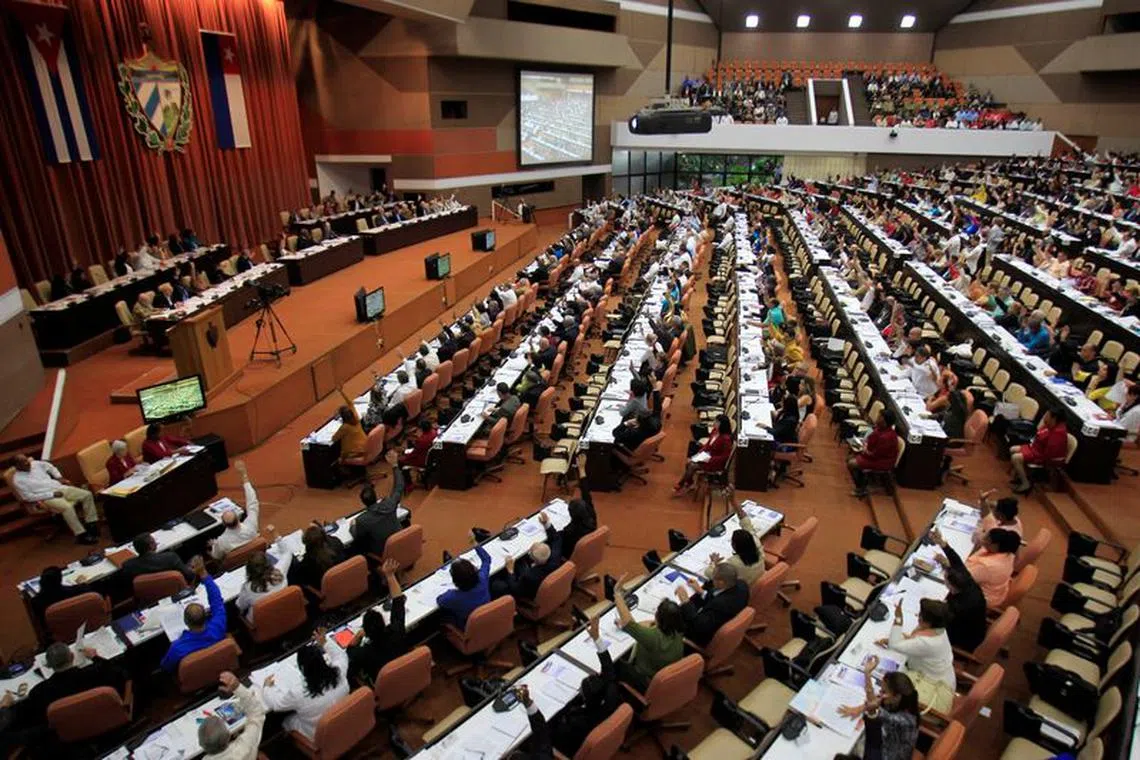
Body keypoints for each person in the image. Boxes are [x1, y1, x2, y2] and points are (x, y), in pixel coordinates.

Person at [259, 630, 350, 741]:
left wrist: (267, 687)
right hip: (345, 720)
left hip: (320, 735)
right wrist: (325, 642)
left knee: (287, 721)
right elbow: (341, 656)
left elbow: (276, 705)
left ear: (302, 668)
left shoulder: (298, 692)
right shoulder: (339, 672)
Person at [551, 615, 620, 757]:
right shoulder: (611, 694)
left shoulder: (577, 723)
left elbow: (552, 736)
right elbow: (608, 669)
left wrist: (567, 708)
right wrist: (596, 637)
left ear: (585, 700)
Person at [20, 642, 127, 727]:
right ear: (72, 657)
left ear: (48, 665)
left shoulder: (39, 692)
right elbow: (119, 673)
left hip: (70, 731)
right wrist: (95, 657)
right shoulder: (95, 672)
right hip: (104, 720)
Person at [878, 598, 956, 713]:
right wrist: (901, 640)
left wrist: (898, 618)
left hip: (931, 683)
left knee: (890, 689)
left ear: (928, 621)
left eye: (920, 615)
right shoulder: (940, 631)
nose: (917, 616)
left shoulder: (927, 643)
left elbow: (894, 645)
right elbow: (914, 640)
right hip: (941, 675)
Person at [611, 573, 684, 692]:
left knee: (614, 664)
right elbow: (649, 625)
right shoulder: (678, 629)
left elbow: (628, 622)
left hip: (646, 679)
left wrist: (617, 593)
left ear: (658, 617)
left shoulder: (652, 638)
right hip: (664, 673)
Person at [836, 659, 920, 760]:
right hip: (882, 744)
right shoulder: (899, 701)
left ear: (897, 696)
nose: (880, 693)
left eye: (884, 691)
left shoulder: (906, 721)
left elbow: (874, 708)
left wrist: (864, 708)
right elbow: (874, 702)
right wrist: (867, 674)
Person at [10, 453, 100, 544]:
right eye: (23, 462)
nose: (27, 463)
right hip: (45, 497)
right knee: (67, 507)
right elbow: (28, 497)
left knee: (87, 495)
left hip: (59, 488)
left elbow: (51, 467)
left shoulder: (36, 464)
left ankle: (91, 524)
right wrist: (52, 494)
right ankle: (81, 535)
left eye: (26, 460)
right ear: (16, 466)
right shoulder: (18, 480)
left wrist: (59, 477)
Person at [347, 559, 409, 686]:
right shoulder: (397, 629)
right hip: (405, 675)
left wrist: (359, 635)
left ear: (367, 633)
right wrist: (390, 576)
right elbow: (398, 600)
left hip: (384, 686)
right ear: (384, 622)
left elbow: (350, 650)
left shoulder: (364, 653)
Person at [161, 558, 227, 671]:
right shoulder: (218, 625)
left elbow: (166, 667)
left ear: (186, 622)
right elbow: (217, 601)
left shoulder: (177, 648)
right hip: (219, 667)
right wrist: (203, 573)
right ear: (206, 616)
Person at [933, 527, 1018, 609]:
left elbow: (961, 579)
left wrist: (946, 565)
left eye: (987, 539)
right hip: (995, 591)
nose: (983, 539)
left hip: (980, 599)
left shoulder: (987, 567)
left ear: (995, 545)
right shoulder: (1006, 552)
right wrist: (943, 544)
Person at [676, 564, 749, 646]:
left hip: (703, 635)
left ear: (721, 582)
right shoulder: (742, 584)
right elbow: (717, 595)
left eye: (713, 578)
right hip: (728, 616)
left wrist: (686, 601)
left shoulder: (720, 604)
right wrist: (701, 591)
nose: (711, 579)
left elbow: (698, 625)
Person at [198, 671, 266, 760]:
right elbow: (256, 713)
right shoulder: (246, 746)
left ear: (201, 744)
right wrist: (237, 687)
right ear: (228, 736)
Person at [496, 514, 564, 602]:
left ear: (532, 559)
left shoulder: (529, 576)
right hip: (545, 580)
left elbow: (515, 588)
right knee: (520, 562)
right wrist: (546, 524)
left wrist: (510, 571)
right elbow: (556, 539)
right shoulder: (555, 556)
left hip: (531, 593)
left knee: (498, 584)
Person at [350, 450, 405, 557]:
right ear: (375, 496)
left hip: (381, 552)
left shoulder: (362, 520)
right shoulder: (389, 504)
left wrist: (353, 526)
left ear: (363, 502)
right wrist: (394, 466)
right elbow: (399, 487)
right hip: (398, 543)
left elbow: (357, 537)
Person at [208, 461, 260, 562]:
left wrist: (214, 545)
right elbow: (252, 502)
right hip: (256, 559)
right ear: (238, 517)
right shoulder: (251, 526)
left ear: (223, 524)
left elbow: (216, 556)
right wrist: (244, 475)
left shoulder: (221, 541)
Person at [705, 502, 767, 584]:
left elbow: (709, 573)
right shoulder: (756, 543)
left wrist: (714, 562)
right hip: (759, 580)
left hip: (746, 591)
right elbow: (746, 522)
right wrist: (732, 500)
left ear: (734, 546)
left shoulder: (733, 563)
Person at [1009, 407, 1068, 494]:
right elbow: (1039, 434)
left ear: (1054, 418)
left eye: (1047, 415)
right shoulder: (1049, 424)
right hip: (1036, 448)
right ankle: (1022, 476)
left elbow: (1050, 453)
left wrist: (1037, 458)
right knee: (1013, 449)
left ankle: (1026, 483)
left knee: (1015, 458)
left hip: (1043, 455)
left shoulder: (1058, 433)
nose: (1044, 417)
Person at [436, 539, 492, 628]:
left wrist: (450, 591)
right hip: (487, 617)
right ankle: (452, 562)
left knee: (440, 616)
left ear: (455, 581)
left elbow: (439, 600)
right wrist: (474, 543)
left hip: (467, 626)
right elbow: (486, 560)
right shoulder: (482, 579)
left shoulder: (452, 596)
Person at [673, 415, 733, 495]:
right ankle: (689, 483)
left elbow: (725, 457)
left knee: (692, 465)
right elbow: (707, 445)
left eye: (717, 422)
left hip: (715, 462)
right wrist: (699, 454)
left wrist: (709, 459)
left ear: (722, 425)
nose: (714, 423)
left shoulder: (726, 439)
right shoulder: (715, 431)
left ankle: (681, 483)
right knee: (689, 462)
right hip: (707, 456)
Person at [847, 410, 900, 498]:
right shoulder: (880, 428)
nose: (877, 418)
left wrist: (863, 450)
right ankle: (862, 481)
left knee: (851, 463)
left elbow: (875, 455)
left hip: (882, 462)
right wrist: (864, 444)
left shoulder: (886, 437)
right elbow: (870, 440)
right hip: (873, 455)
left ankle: (861, 488)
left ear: (885, 422)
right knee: (850, 458)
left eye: (880, 417)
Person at [30, 566, 94, 633]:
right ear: (60, 579)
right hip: (82, 626)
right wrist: (82, 583)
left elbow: (41, 623)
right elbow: (86, 588)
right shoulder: (76, 591)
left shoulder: (36, 602)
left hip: (58, 632)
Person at [288, 522, 349, 591]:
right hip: (344, 580)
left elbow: (303, 580)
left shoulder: (308, 562)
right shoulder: (336, 542)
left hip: (329, 591)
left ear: (308, 545)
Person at [943, 563, 987, 653]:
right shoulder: (972, 586)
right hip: (975, 631)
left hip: (963, 639)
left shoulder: (958, 607)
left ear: (950, 584)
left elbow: (942, 622)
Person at [236, 549, 290, 622]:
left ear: (249, 571)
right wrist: (279, 540)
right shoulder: (281, 571)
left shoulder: (248, 588)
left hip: (262, 623)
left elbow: (240, 605)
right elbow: (288, 553)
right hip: (284, 613)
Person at [121, 532, 196, 583]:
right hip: (176, 590)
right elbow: (189, 576)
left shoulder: (128, 566)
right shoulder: (171, 557)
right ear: (151, 545)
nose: (156, 543)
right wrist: (191, 566)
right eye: (154, 541)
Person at [331, 387, 367, 462]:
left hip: (353, 453)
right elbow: (350, 403)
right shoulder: (356, 418)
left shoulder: (345, 427)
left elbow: (334, 439)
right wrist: (342, 392)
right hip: (365, 446)